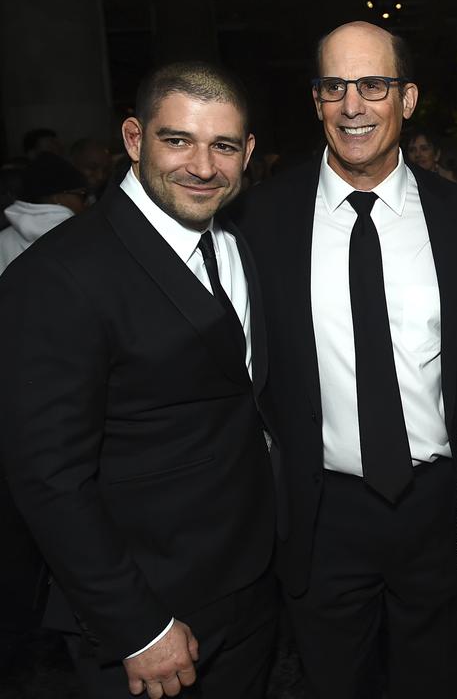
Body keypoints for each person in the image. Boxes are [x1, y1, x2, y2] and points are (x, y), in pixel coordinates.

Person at [0, 61, 276, 699]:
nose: (202, 166)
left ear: (248, 152)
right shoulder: (59, 276)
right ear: (133, 138)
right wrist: (136, 627)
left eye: (223, 146)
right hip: (152, 612)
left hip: (250, 589)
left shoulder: (238, 242)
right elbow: (48, 477)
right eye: (177, 140)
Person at [237, 21, 457, 699]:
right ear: (315, 101)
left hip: (440, 507)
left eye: (373, 85)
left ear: (407, 99)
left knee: (438, 681)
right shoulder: (261, 222)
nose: (352, 106)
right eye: (334, 87)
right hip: (321, 514)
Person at [0, 151, 92, 274]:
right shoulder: (81, 233)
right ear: (57, 198)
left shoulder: (3, 240)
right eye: (82, 195)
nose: (86, 203)